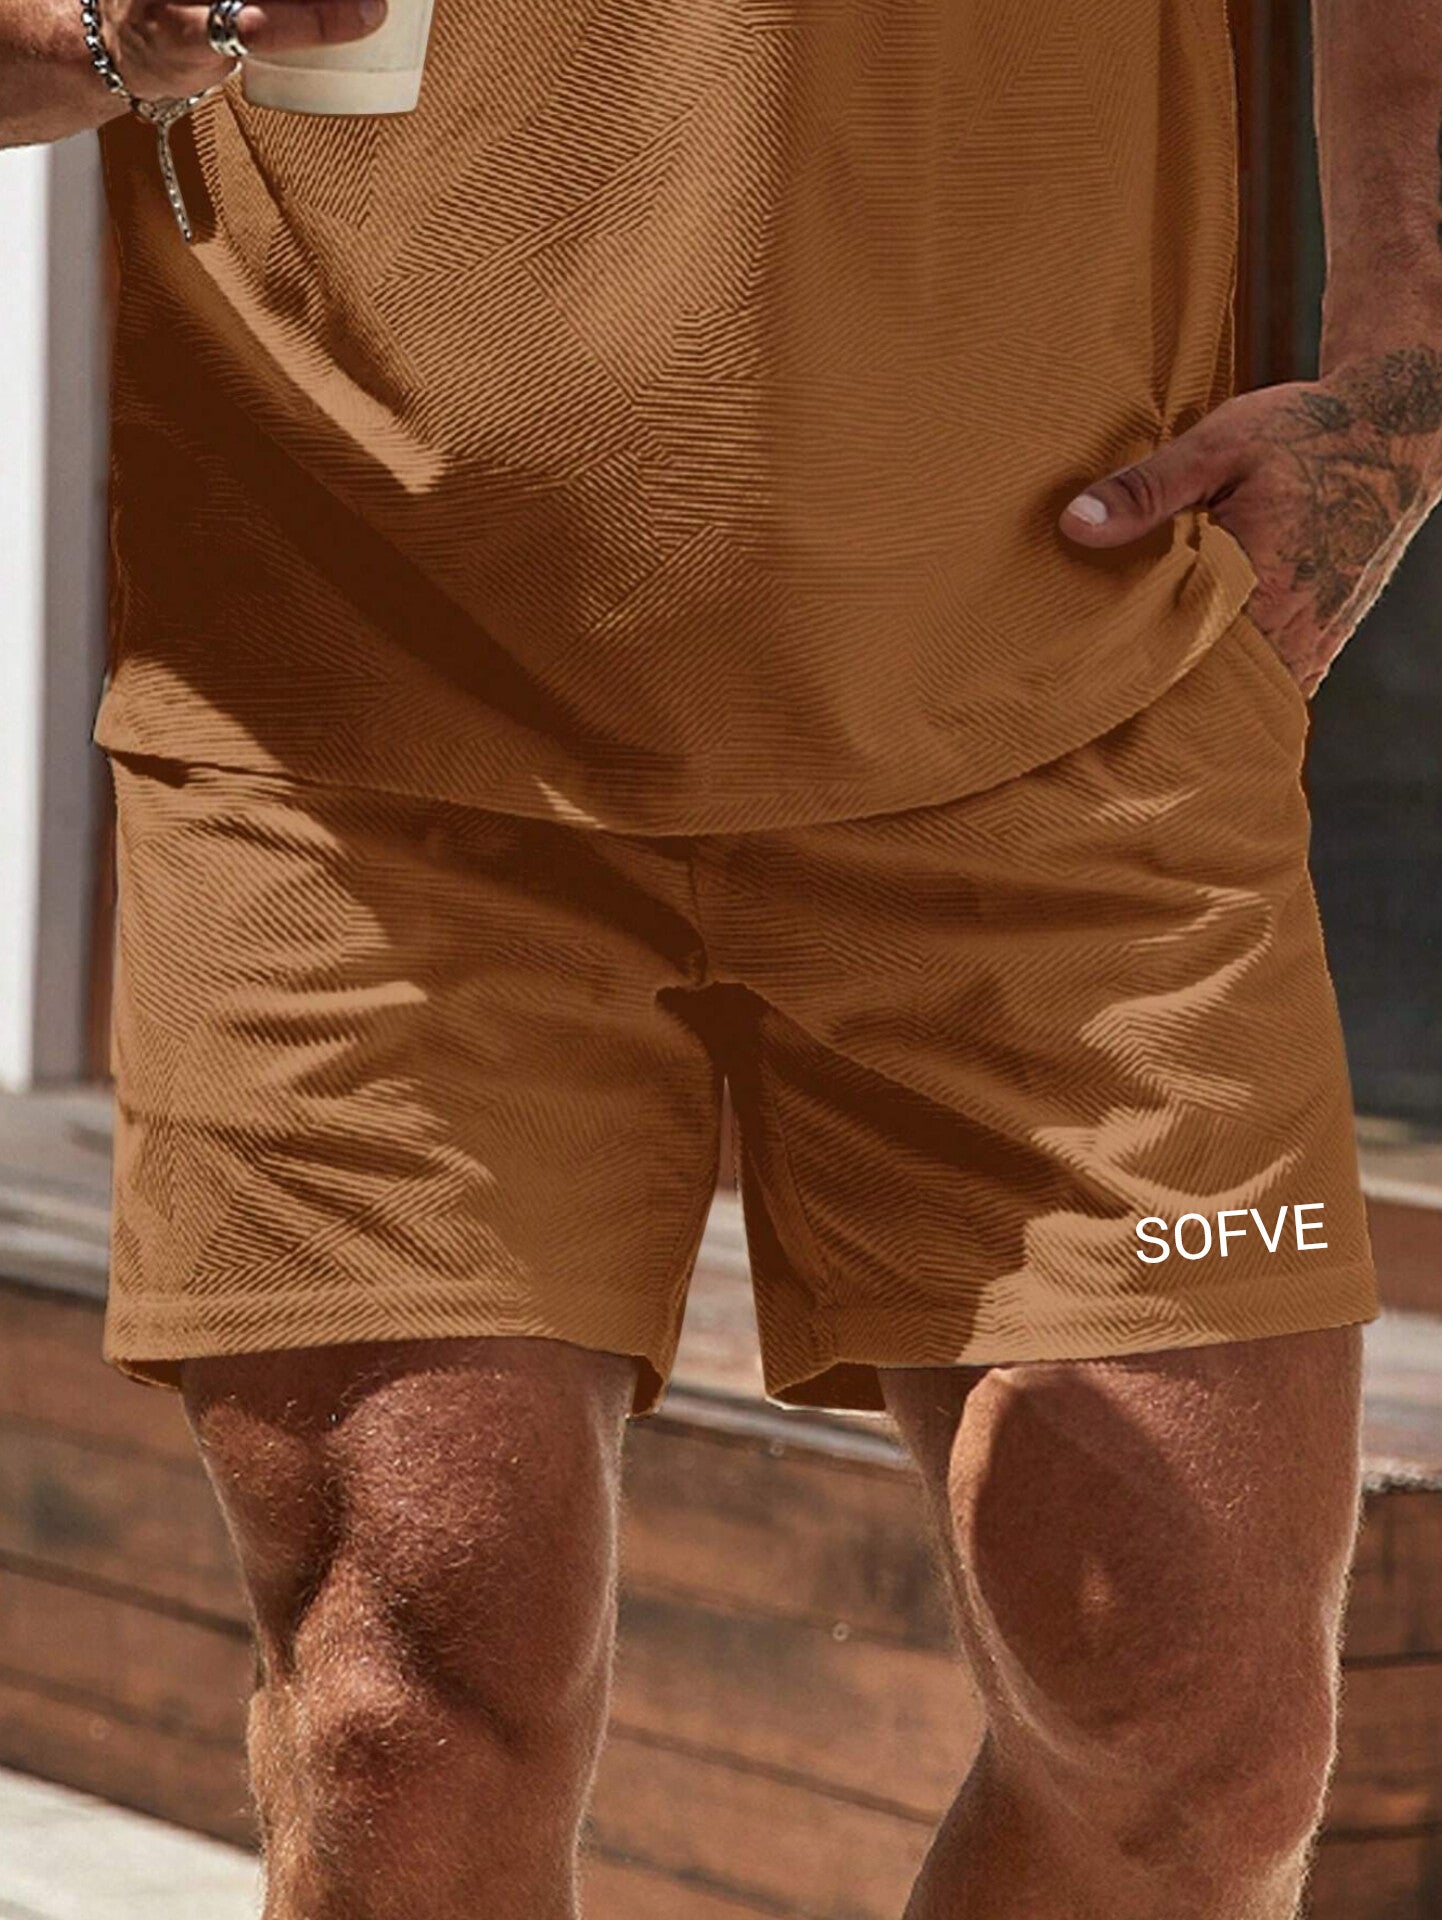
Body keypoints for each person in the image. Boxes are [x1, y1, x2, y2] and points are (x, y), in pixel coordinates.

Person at [4, 1, 1437, 1913]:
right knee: (406, 1717)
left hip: (1063, 707)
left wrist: (1406, 365)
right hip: (356, 734)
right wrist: (100, 30)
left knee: (1193, 1744)